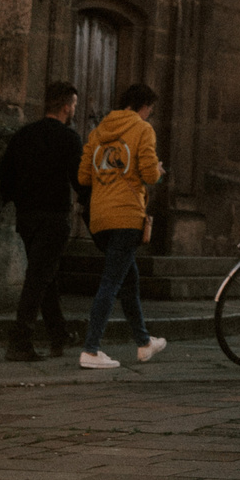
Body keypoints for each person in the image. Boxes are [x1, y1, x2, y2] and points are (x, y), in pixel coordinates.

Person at [76, 81, 167, 372]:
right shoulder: (143, 129)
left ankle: (144, 342)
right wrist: (159, 171)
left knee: (128, 280)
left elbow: (83, 177)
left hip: (100, 219)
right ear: (144, 106)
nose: (149, 115)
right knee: (111, 283)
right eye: (150, 109)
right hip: (126, 217)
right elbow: (150, 175)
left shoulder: (98, 132)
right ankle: (91, 349)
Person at [0, 83, 84, 361]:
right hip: (53, 216)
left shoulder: (23, 135)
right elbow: (79, 179)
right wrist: (88, 200)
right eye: (74, 105)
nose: (74, 110)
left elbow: (6, 173)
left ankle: (59, 333)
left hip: (27, 216)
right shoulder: (68, 138)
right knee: (38, 278)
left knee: (45, 275)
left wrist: (18, 199)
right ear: (66, 107)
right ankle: (20, 340)